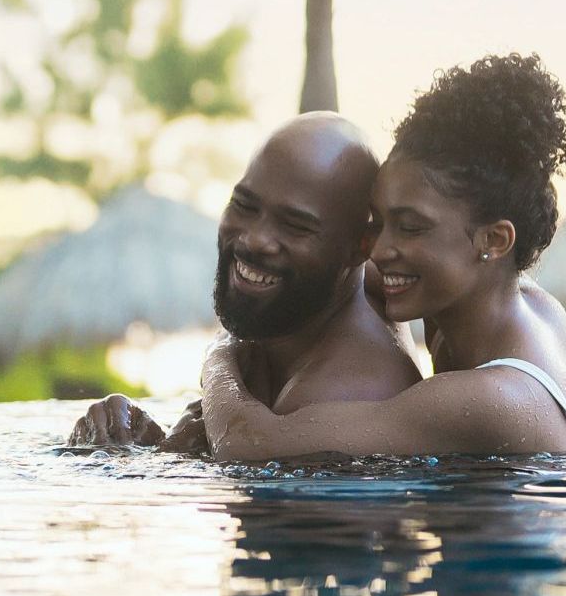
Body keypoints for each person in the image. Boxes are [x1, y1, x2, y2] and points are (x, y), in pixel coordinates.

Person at [195, 54, 566, 458]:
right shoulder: (519, 306)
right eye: (379, 222)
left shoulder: (493, 399)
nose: (379, 249)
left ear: (493, 240)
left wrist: (221, 354)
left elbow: (245, 443)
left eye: (410, 227)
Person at [68, 113, 419, 448]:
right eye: (244, 205)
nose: (253, 239)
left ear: (362, 246)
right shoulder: (324, 306)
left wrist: (219, 354)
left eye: (295, 225)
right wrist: (142, 440)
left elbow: (244, 456)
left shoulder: (338, 395)